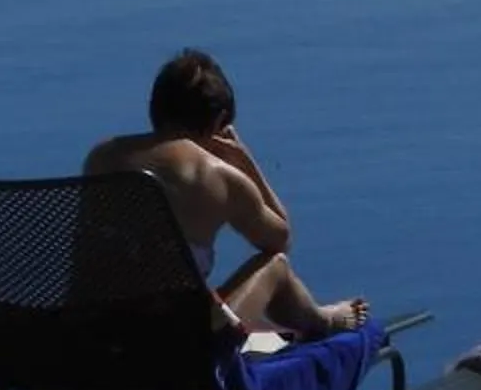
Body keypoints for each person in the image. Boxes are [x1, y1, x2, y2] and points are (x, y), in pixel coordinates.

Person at [83, 48, 368, 336]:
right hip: (176, 345)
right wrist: (243, 159)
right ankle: (324, 321)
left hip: (96, 332)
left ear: (154, 108)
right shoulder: (216, 176)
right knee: (275, 265)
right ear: (218, 121)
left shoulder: (102, 157)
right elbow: (280, 239)